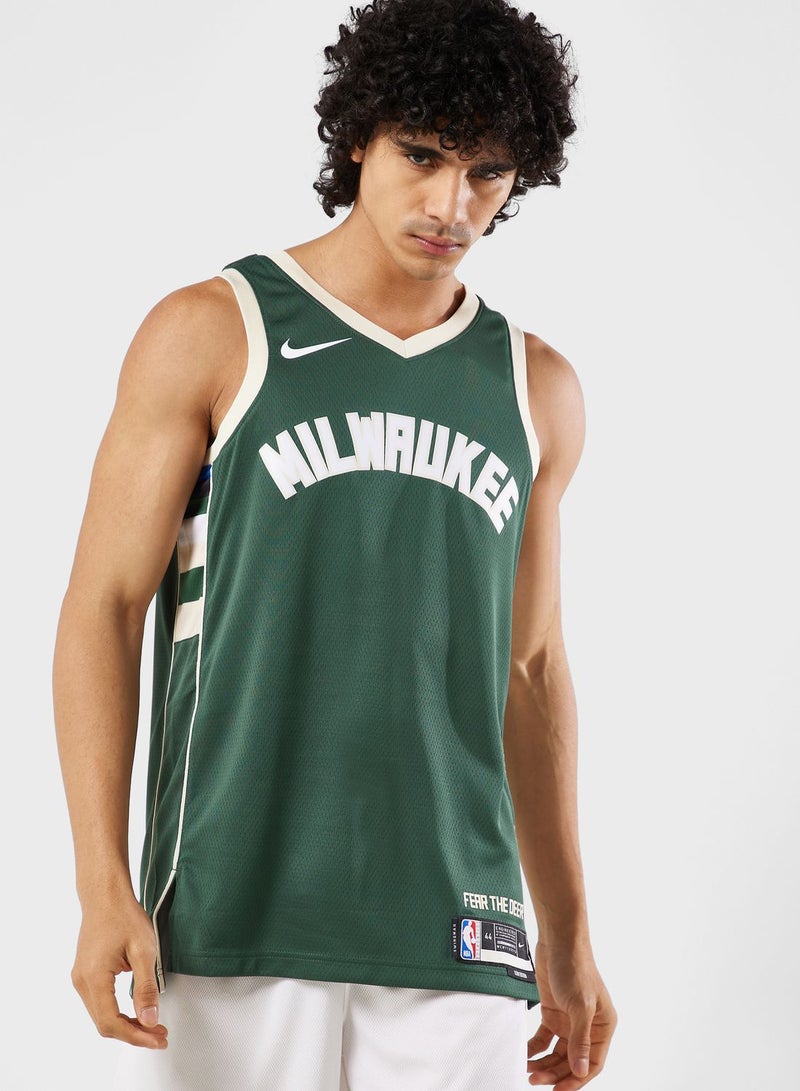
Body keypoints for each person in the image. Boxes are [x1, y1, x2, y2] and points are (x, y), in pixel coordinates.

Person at [53, 0, 617, 1087]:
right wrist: (99, 881)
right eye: (423, 155)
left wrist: (570, 932)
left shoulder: (535, 387)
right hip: (233, 910)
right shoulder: (213, 329)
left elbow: (530, 665)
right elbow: (104, 608)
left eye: (487, 173)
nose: (451, 204)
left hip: (463, 931)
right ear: (358, 134)